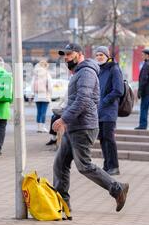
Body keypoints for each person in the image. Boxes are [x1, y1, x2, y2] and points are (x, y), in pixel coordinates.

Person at [52, 43, 129, 213]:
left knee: (84, 165)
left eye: (69, 54)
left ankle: (117, 188)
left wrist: (64, 119)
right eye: (64, 55)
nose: (66, 58)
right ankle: (61, 203)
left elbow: (83, 100)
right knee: (60, 165)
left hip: (83, 127)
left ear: (79, 54)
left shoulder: (86, 72)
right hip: (75, 126)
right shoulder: (79, 72)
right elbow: (76, 100)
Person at [95, 46, 124, 176]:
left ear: (107, 56)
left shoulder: (114, 69)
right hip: (100, 111)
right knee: (102, 138)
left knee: (109, 138)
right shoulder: (99, 70)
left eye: (101, 55)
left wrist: (105, 101)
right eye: (97, 55)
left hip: (109, 110)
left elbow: (119, 90)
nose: (99, 57)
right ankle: (107, 165)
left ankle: (114, 166)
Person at [31, 60, 52, 133]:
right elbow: (50, 86)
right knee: (43, 112)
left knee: (39, 112)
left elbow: (32, 85)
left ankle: (38, 127)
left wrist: (34, 92)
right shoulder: (46, 74)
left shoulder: (36, 74)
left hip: (37, 95)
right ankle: (43, 127)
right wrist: (50, 93)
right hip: (45, 95)